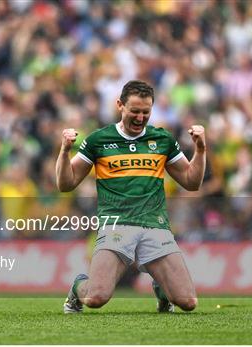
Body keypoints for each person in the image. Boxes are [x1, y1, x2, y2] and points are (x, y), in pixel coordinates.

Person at [56, 80, 206, 313]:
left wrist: (200, 150)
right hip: (116, 225)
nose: (140, 117)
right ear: (120, 106)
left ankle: (161, 289)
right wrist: (65, 151)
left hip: (154, 225)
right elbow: (66, 184)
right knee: (96, 298)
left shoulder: (163, 140)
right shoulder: (99, 140)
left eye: (146, 112)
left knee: (188, 303)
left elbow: (191, 182)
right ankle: (77, 288)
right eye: (134, 111)